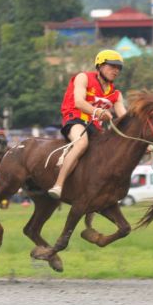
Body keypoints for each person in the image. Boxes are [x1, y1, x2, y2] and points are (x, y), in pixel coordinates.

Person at [48, 49, 128, 199]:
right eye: (112, 66)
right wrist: (98, 112)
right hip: (75, 119)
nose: (116, 71)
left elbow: (124, 118)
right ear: (100, 66)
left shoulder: (116, 94)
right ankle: (58, 185)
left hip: (95, 128)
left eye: (118, 68)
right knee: (82, 143)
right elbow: (79, 102)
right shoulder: (83, 78)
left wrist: (141, 138)